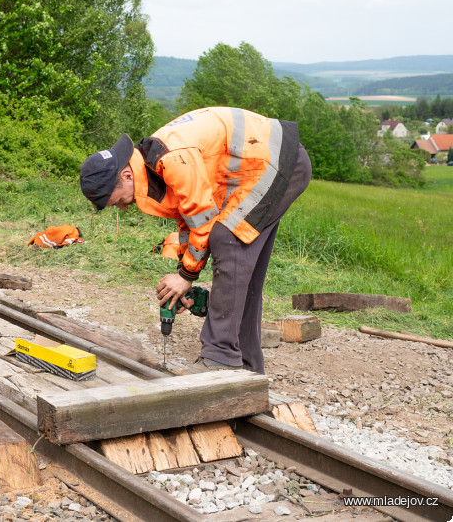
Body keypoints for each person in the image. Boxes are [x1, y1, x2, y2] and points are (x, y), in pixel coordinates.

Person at [79, 107, 311, 374]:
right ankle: (247, 367)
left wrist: (186, 276)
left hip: (278, 160)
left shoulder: (172, 159)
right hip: (268, 164)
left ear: (126, 175)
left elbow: (203, 222)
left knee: (227, 238)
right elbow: (190, 219)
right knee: (243, 273)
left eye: (118, 200)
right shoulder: (154, 166)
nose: (122, 207)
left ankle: (220, 356)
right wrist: (184, 273)